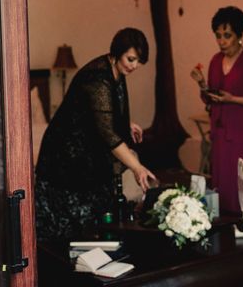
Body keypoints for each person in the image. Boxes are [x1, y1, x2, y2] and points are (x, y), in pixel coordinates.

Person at [35, 28, 157, 240]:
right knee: (69, 228)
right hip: (66, 157)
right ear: (118, 52)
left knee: (99, 214)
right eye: (131, 59)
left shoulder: (116, 70)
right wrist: (137, 168)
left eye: (138, 61)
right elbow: (107, 133)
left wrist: (125, 123)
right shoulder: (97, 78)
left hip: (87, 152)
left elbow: (102, 111)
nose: (134, 66)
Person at [190, 6, 243, 214]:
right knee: (225, 185)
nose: (222, 41)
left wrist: (233, 99)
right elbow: (211, 98)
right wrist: (202, 85)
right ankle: (226, 228)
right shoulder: (215, 61)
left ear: (239, 34)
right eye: (218, 36)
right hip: (222, 134)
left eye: (227, 35)